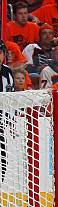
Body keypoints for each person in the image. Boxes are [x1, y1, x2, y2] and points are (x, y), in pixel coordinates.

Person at [1, 41, 15, 184]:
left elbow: (11, 96)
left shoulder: (7, 72)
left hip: (1, 119)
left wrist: (11, 119)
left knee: (2, 155)